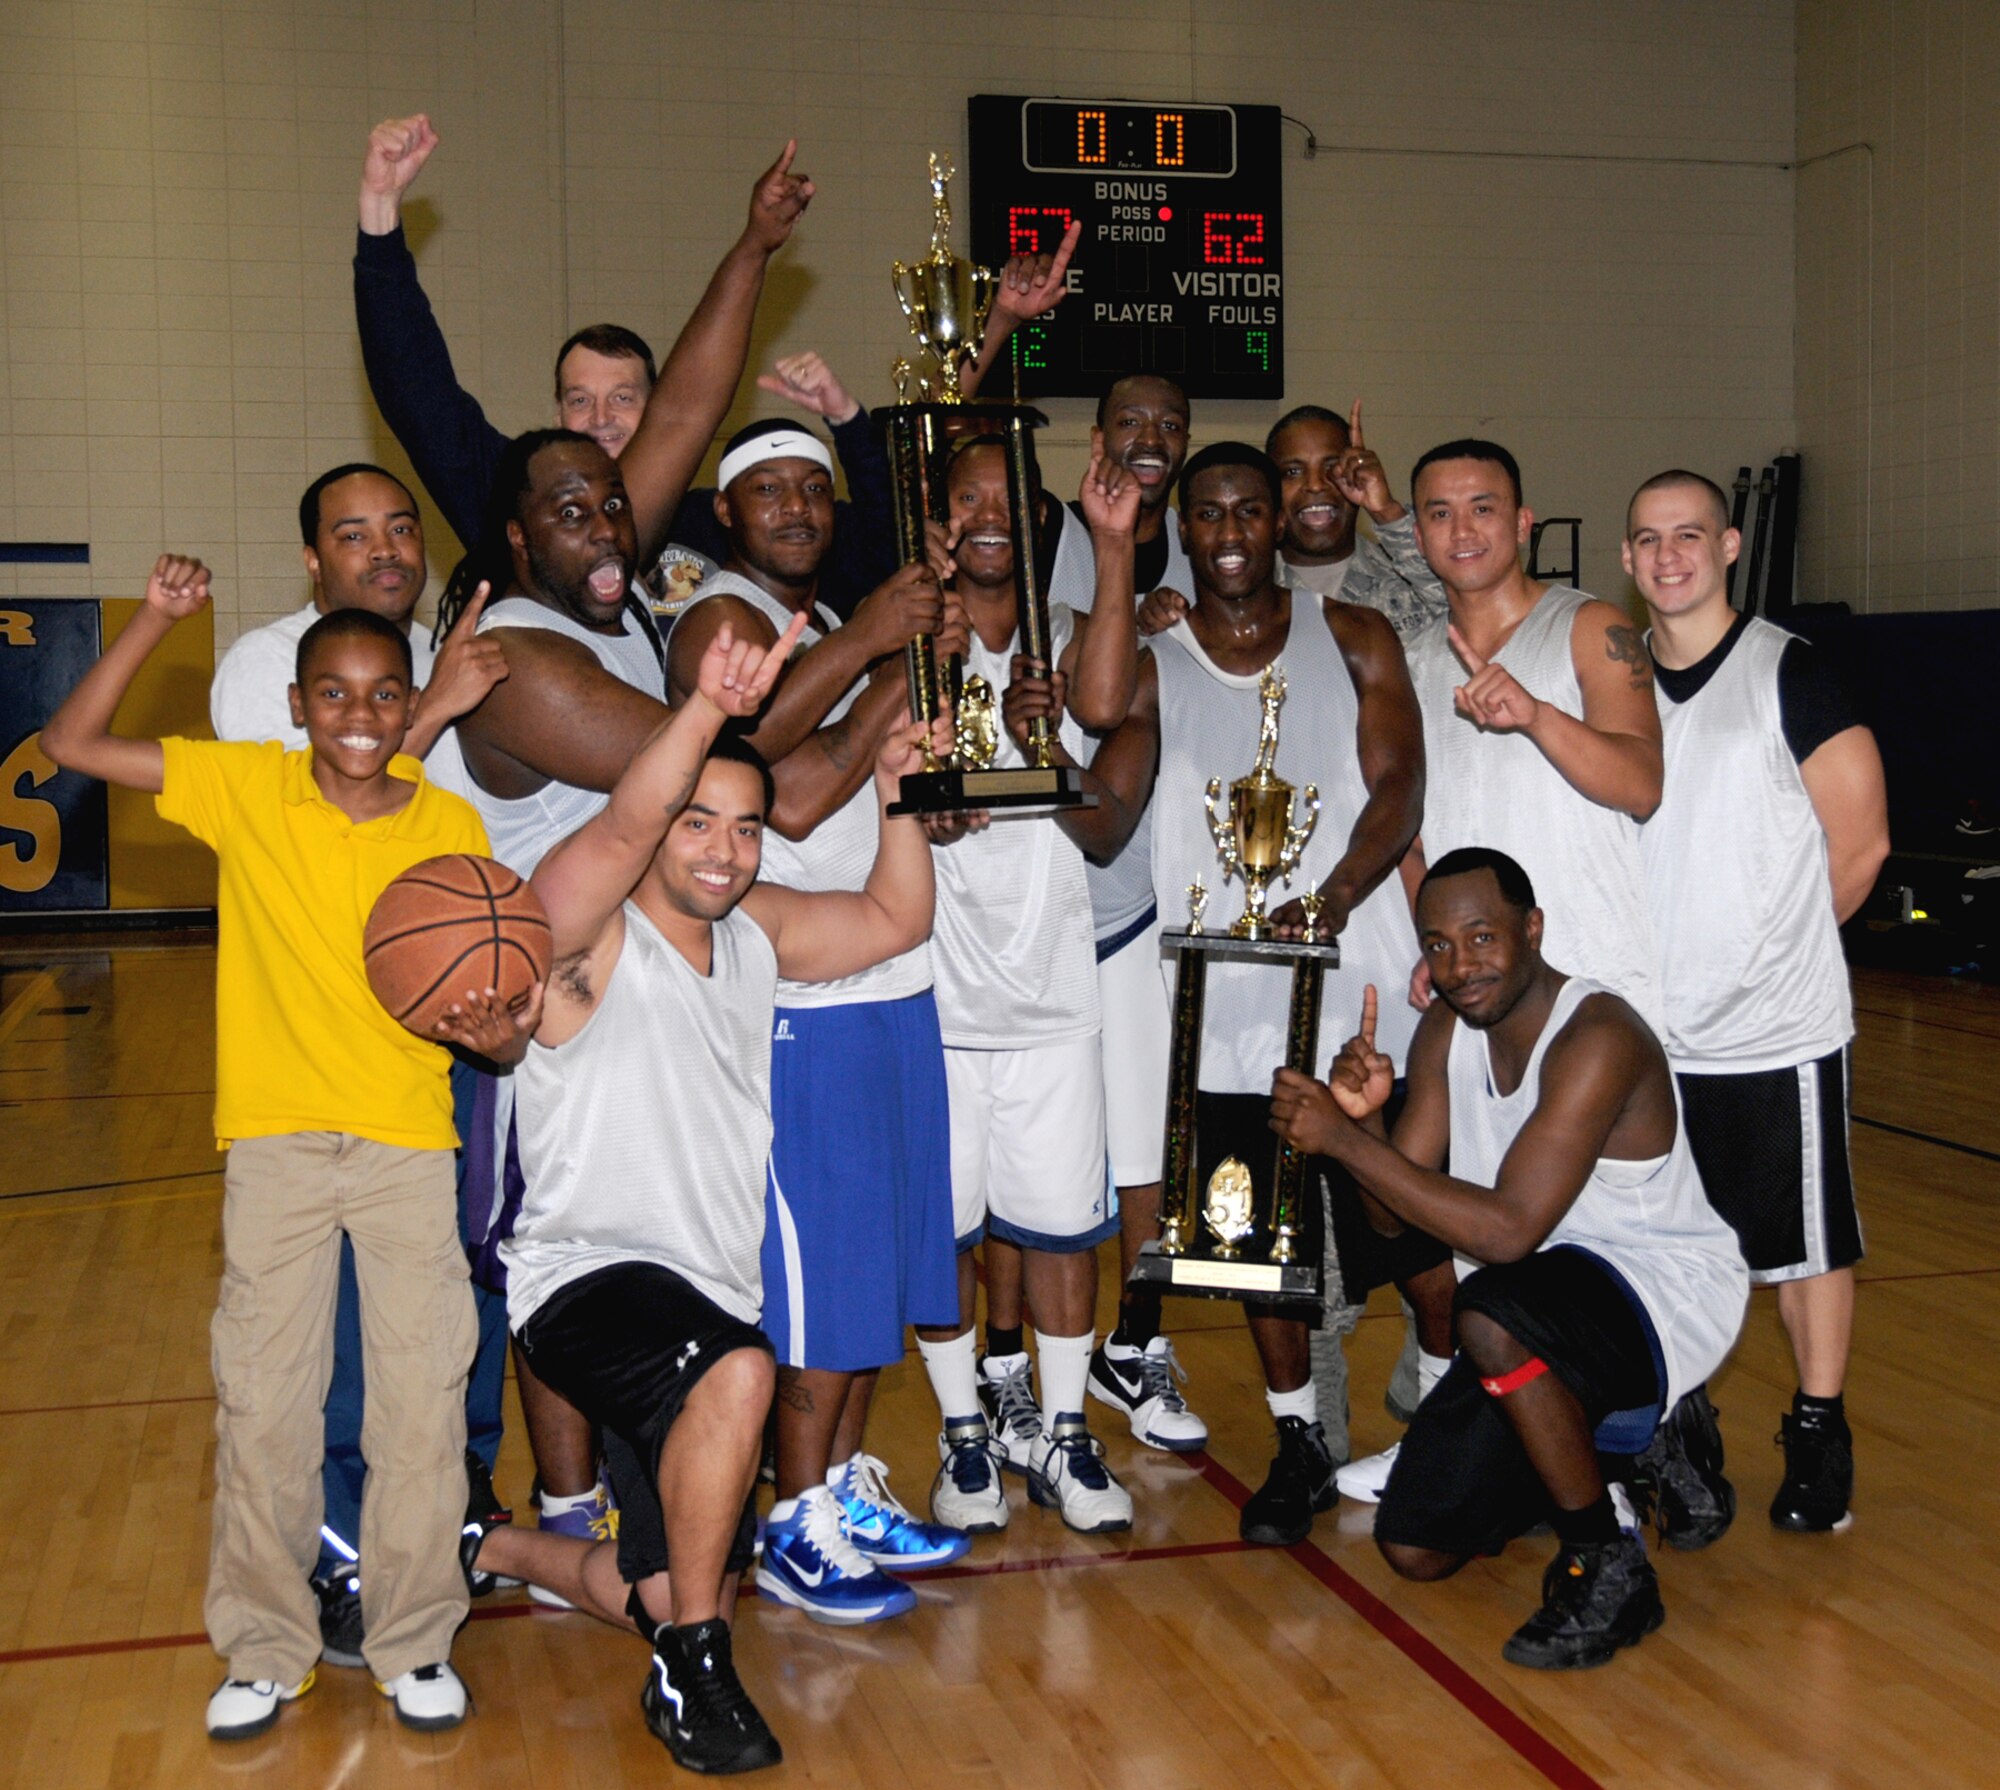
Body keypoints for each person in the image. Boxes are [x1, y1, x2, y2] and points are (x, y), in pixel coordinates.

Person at [43, 559, 538, 1738]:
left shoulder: (448, 821)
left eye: (381, 694)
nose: (357, 717)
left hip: (407, 1141)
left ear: (409, 701)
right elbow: (69, 741)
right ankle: (267, 1645)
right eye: (333, 693)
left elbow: (488, 1001)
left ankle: (415, 1638)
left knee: (419, 1408)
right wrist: (156, 621)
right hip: (271, 1145)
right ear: (299, 703)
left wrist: (502, 1034)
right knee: (265, 1405)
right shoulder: (242, 787)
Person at [485, 611, 940, 1773]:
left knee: (668, 1580)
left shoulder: (755, 933)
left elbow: (895, 919)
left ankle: (495, 1548)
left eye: (746, 829)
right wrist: (705, 708)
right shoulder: (582, 929)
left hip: (704, 1297)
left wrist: (895, 789)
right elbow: (624, 821)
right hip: (585, 1280)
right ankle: (693, 1672)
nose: (724, 850)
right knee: (741, 1374)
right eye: (699, 822)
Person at [1075, 442, 1448, 1545]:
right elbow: (1105, 810)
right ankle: (1297, 1440)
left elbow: (1401, 787)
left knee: (1402, 1204)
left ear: (1276, 522)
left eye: (1248, 508)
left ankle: (1448, 1383)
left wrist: (1330, 898)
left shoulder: (1354, 636)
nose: (1231, 529)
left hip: (1355, 984)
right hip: (1216, 1002)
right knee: (1251, 1233)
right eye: (1207, 514)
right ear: (1180, 531)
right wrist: (1024, 772)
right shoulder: (1154, 660)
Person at [1271, 848, 1748, 1669]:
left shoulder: (1599, 1037)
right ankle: (1588, 1450)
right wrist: (1369, 1130)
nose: (1460, 966)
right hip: (1537, 1310)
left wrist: (1344, 1141)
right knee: (1413, 1546)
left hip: (1656, 1293)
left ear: (1533, 930)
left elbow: (1508, 1232)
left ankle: (1608, 1559)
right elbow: (1394, 1225)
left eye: (1483, 936)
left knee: (1487, 1308)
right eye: (1439, 946)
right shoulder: (1445, 1032)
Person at [208, 461, 512, 1668]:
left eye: (401, 528)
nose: (385, 548)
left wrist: (499, 999)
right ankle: (313, 1577)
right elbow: (327, 805)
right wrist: (431, 701)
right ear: (311, 557)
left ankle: (419, 1579)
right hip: (300, 1080)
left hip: (421, 1059)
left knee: (436, 1347)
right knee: (298, 1369)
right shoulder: (268, 670)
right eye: (353, 532)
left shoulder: (439, 652)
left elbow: (437, 845)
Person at [664, 421, 966, 1624]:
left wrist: (908, 706)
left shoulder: (842, 614)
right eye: (763, 491)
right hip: (801, 1005)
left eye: (812, 489)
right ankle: (793, 1524)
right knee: (814, 1299)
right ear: (724, 513)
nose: (793, 507)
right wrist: (877, 647)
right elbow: (778, 797)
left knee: (872, 1285)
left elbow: (858, 750)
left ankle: (835, 1487)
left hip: (888, 978)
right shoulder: (718, 623)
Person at [1625, 469, 1889, 1537]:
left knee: (1803, 1243)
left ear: (1728, 545)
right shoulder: (1617, 687)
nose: (1666, 555)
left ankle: (1817, 1426)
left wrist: (1770, 956)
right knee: (1665, 1243)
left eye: (1687, 534)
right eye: (1645, 538)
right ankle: (1680, 1419)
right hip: (1650, 1034)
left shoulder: (1790, 671)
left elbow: (1860, 841)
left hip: (1775, 1028)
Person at [354, 115, 894, 616]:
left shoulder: (727, 518)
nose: (600, 417)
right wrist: (380, 216)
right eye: (579, 400)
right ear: (557, 413)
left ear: (656, 405)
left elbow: (890, 541)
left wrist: (849, 423)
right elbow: (418, 393)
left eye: (624, 397)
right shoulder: (516, 499)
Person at [910, 433, 1141, 1536]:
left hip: (1052, 996)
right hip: (936, 997)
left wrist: (1111, 541)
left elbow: (1101, 806)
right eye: (968, 499)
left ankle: (1061, 1428)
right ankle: (963, 1433)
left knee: (1059, 1231)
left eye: (1013, 499)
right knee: (945, 1236)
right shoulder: (909, 644)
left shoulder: (1075, 642)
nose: (992, 516)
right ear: (938, 519)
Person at [1402, 439, 1664, 1024]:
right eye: (1440, 513)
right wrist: (1435, 943)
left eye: (1483, 508)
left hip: (1593, 975)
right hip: (1476, 993)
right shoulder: (1410, 664)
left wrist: (1538, 716)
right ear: (1418, 538)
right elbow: (1408, 842)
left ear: (1522, 524)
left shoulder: (1592, 627)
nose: (1462, 530)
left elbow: (1642, 786)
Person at [1266, 402, 1446, 641]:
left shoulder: (1406, 574)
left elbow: (1469, 610)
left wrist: (1385, 511)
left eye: (1332, 467)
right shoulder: (1249, 586)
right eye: (1292, 472)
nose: (1315, 484)